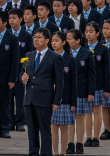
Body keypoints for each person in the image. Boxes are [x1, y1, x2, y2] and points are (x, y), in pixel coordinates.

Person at [21, 27, 64, 156]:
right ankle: (33, 153)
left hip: (44, 99)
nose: (36, 40)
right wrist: (22, 78)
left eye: (39, 37)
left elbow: (60, 82)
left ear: (47, 40)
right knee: (32, 131)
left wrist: (56, 101)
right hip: (29, 98)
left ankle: (46, 153)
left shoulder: (55, 57)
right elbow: (21, 75)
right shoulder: (29, 55)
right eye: (34, 37)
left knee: (45, 131)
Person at [0, 11, 19, 139]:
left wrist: (13, 78)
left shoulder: (12, 38)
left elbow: (15, 60)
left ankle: (6, 127)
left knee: (6, 103)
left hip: (6, 77)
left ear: (5, 23)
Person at [66, 28, 95, 155]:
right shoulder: (65, 53)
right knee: (69, 119)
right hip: (68, 91)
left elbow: (91, 75)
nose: (67, 41)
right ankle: (70, 143)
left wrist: (91, 92)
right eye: (66, 39)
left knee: (80, 118)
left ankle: (80, 143)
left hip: (82, 90)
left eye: (70, 39)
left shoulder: (87, 53)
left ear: (78, 40)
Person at [50, 31, 77, 156]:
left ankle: (63, 152)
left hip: (65, 98)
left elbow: (73, 82)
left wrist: (73, 102)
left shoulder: (70, 59)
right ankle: (55, 152)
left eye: (56, 40)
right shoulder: (49, 57)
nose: (54, 43)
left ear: (63, 42)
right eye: (52, 41)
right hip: (50, 98)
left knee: (64, 126)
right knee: (53, 127)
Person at [84, 22, 110, 148]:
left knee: (97, 110)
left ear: (97, 33)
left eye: (91, 31)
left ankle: (96, 137)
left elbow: (106, 70)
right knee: (87, 112)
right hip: (85, 84)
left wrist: (106, 88)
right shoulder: (82, 48)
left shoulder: (103, 49)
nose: (88, 34)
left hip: (99, 85)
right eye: (86, 31)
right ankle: (88, 137)